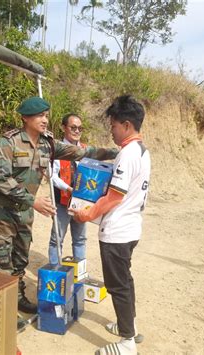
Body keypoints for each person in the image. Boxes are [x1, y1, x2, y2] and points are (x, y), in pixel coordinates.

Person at [0, 96, 118, 315]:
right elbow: (2, 181)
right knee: (2, 262)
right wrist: (34, 201)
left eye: (47, 116)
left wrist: (116, 153)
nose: (45, 120)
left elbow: (81, 152)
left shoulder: (47, 144)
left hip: (24, 215)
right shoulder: (7, 142)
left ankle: (17, 297)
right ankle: (1, 311)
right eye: (40, 115)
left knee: (20, 259)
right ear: (25, 118)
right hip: (3, 215)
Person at [70, 95, 151, 355]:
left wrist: (87, 213)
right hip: (131, 228)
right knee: (125, 281)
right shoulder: (142, 151)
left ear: (126, 125)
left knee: (117, 285)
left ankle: (127, 343)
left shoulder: (127, 154)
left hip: (117, 232)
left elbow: (114, 196)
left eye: (113, 125)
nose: (112, 131)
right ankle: (130, 325)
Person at [48, 113, 87, 264]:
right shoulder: (57, 149)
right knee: (57, 239)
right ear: (64, 128)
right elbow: (51, 176)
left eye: (80, 128)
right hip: (62, 202)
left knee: (80, 240)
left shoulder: (85, 150)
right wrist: (68, 188)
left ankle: (79, 274)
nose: (77, 131)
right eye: (73, 127)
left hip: (81, 203)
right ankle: (55, 272)